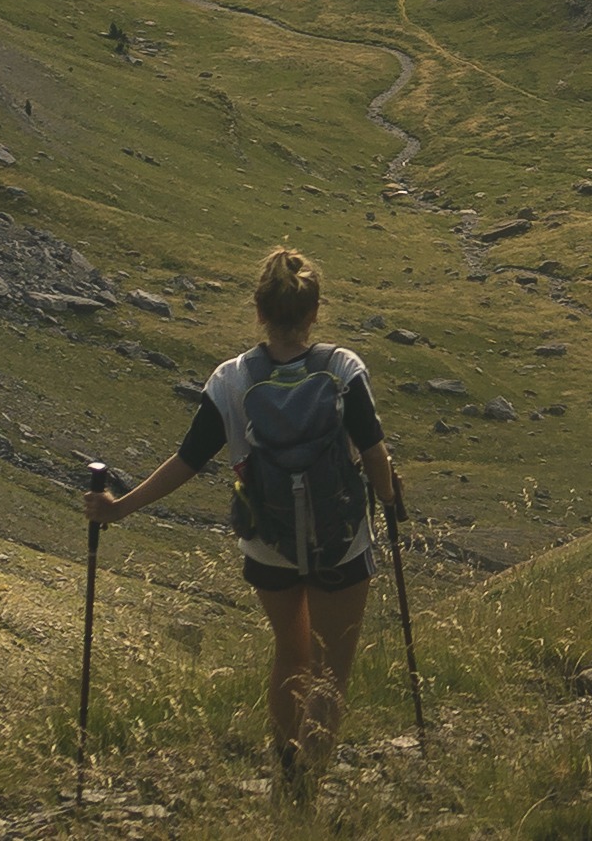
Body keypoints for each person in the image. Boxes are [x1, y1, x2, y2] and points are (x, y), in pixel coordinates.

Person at [83, 246, 397, 802]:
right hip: (342, 540)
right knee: (330, 672)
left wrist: (119, 507)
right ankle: (305, 794)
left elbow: (188, 459)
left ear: (258, 311)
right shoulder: (343, 369)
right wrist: (391, 498)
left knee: (290, 654)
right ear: (314, 312)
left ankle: (285, 769)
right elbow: (373, 452)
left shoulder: (231, 379)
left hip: (268, 543)